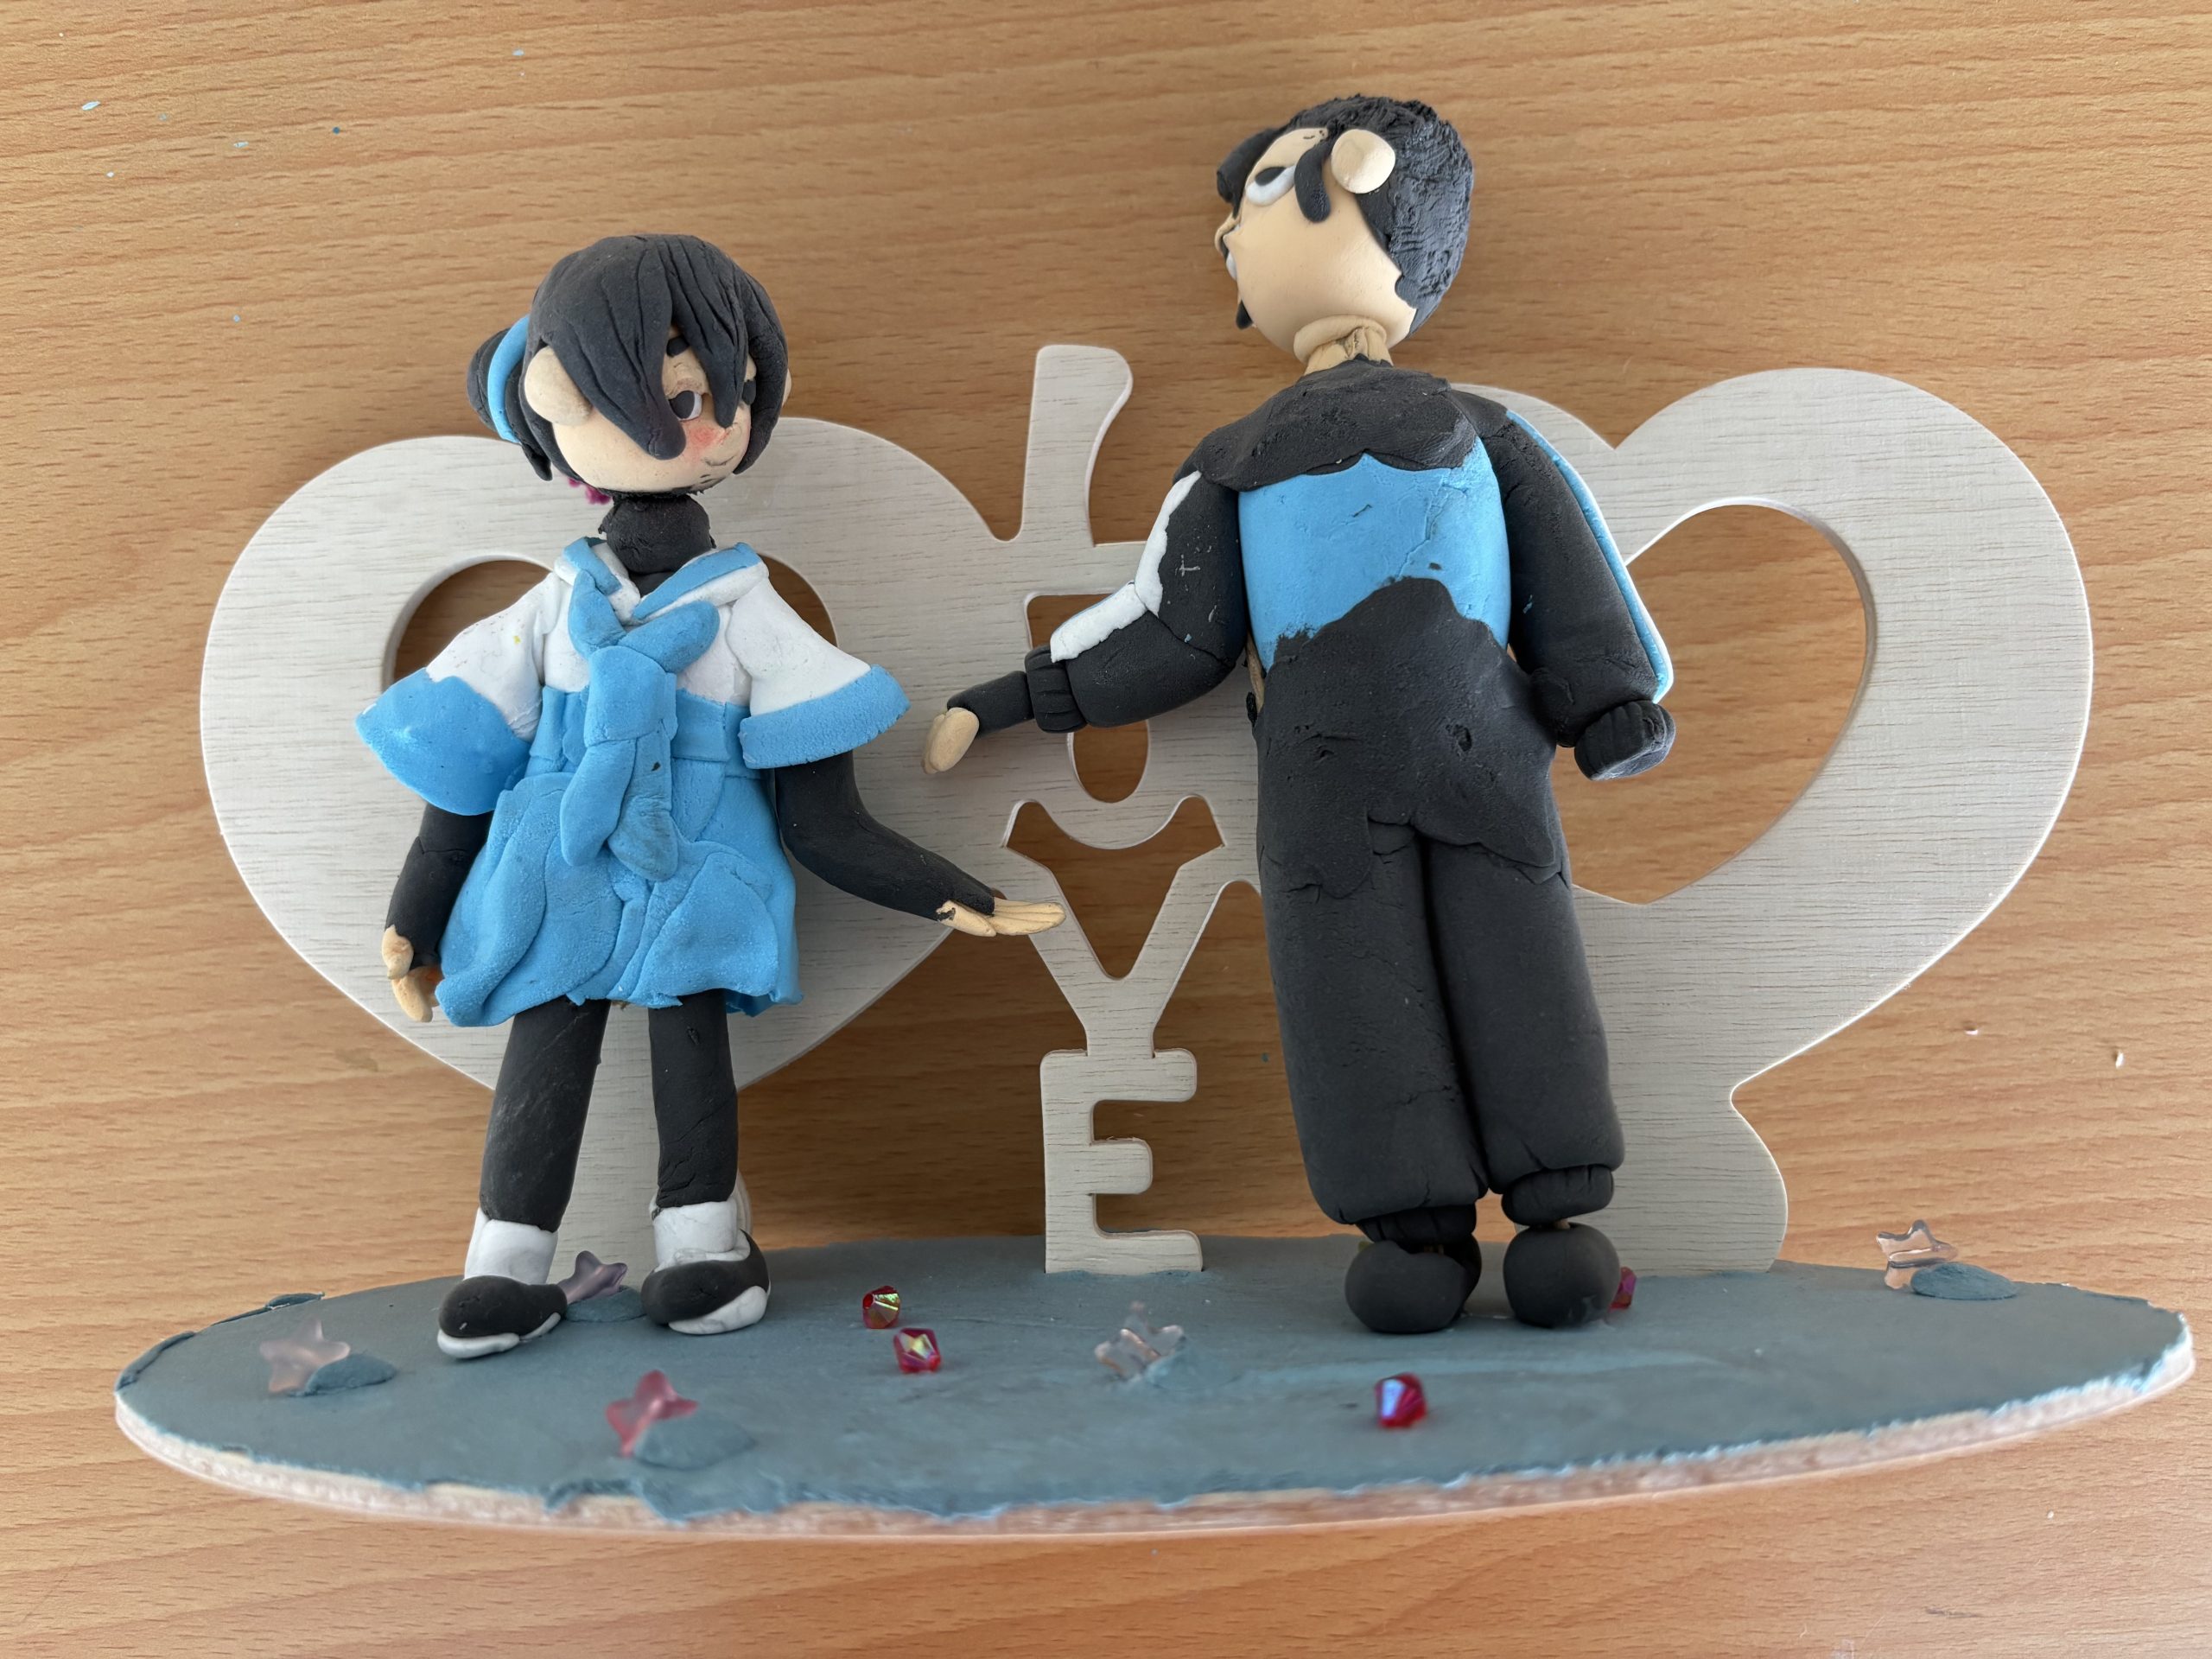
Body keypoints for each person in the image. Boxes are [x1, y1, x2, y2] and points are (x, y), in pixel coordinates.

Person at [926, 99, 1673, 1335]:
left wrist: (1610, 700)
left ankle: (1558, 1209)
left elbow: (1569, 567)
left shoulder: (1477, 431)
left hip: (1485, 764)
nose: (1229, 237)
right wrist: (1021, 696)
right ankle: (1414, 1227)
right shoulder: (1235, 460)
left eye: (1261, 195)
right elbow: (1173, 629)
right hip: (1327, 792)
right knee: (1350, 992)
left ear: (1363, 178)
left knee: (1521, 957)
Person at [359, 233, 1060, 1358]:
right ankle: (505, 1262)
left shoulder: (749, 614)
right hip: (555, 870)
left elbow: (822, 818)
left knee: (692, 1053)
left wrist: (944, 889)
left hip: (694, 873)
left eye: (690, 393)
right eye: (611, 394)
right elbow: (469, 779)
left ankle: (704, 1244)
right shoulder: (547, 611)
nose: (664, 421)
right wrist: (417, 911)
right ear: (545, 404)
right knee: (545, 1055)